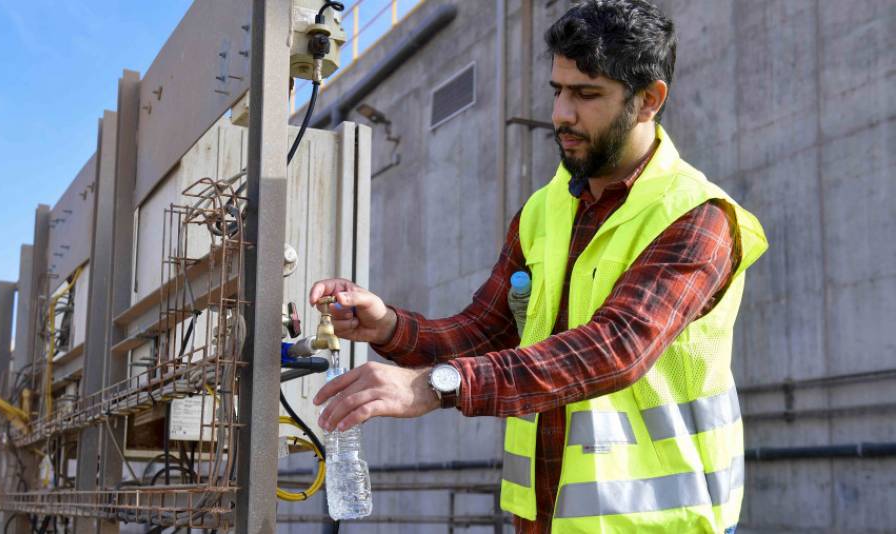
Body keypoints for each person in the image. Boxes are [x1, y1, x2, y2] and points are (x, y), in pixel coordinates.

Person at [310, 0, 767, 531]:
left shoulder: (698, 216)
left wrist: (435, 385)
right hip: (542, 519)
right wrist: (387, 324)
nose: (561, 114)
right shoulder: (545, 210)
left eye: (586, 94)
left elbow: (614, 348)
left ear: (649, 100)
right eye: (558, 90)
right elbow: (484, 330)